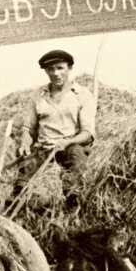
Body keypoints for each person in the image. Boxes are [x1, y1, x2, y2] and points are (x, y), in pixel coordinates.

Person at [17, 49, 95, 202]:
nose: (55, 73)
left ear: (69, 68)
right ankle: (18, 197)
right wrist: (24, 143)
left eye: (60, 68)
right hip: (43, 148)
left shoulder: (82, 94)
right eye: (50, 69)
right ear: (46, 71)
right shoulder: (38, 95)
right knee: (25, 168)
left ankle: (74, 199)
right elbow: (28, 129)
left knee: (76, 158)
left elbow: (88, 133)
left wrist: (68, 142)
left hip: (68, 146)